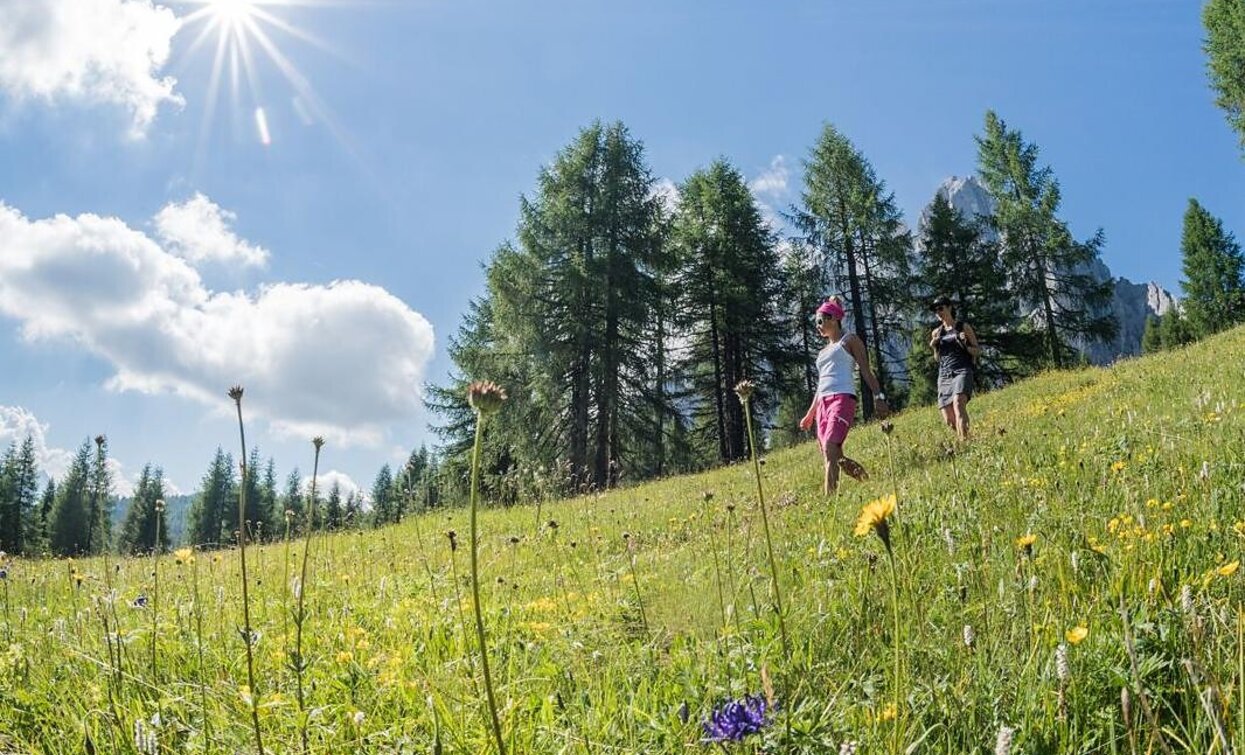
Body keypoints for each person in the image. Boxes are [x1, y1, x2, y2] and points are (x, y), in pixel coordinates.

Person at [798, 297, 890, 495]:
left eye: (820, 321)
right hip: (823, 404)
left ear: (833, 319)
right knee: (833, 456)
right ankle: (867, 481)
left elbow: (865, 370)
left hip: (842, 399)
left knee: (831, 447)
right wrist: (810, 413)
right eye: (816, 322)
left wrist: (879, 396)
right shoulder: (822, 352)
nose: (818, 326)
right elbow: (821, 385)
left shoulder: (849, 340)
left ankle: (829, 500)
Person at [927, 295, 980, 441]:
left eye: (940, 308)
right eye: (935, 310)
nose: (938, 312)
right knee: (949, 419)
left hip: (962, 370)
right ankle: (968, 438)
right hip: (944, 374)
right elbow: (937, 359)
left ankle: (965, 444)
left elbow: (977, 350)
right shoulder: (937, 332)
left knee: (958, 403)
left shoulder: (963, 327)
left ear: (949, 307)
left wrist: (964, 344)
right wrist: (934, 346)